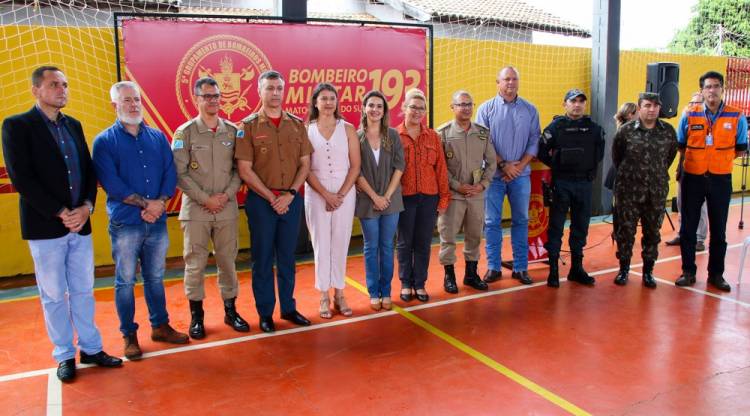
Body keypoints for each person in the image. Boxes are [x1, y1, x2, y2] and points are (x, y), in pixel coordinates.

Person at [1, 66, 121, 382]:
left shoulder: (74, 125)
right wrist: (59, 211)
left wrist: (85, 207)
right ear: (36, 90)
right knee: (54, 294)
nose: (62, 89)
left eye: (65, 84)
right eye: (54, 84)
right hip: (45, 227)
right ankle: (65, 355)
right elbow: (21, 177)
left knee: (83, 290)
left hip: (79, 224)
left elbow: (87, 170)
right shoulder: (17, 126)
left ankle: (92, 349)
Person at [93, 81, 189, 360]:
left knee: (156, 278)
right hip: (126, 223)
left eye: (136, 99)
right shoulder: (104, 142)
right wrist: (149, 205)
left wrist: (159, 203)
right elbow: (113, 185)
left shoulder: (158, 137)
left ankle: (160, 326)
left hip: (156, 221)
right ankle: (129, 335)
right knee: (125, 280)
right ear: (114, 105)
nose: (133, 105)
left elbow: (169, 174)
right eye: (126, 101)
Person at [234, 70, 312, 332]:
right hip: (261, 203)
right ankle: (265, 313)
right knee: (263, 259)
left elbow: (305, 164)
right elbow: (245, 170)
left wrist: (289, 194)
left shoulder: (296, 125)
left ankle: (288, 308)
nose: (275, 93)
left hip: (290, 200)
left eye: (279, 88)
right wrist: (272, 197)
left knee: (288, 257)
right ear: (260, 91)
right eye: (270, 88)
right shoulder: (247, 127)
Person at [172, 77, 249, 339]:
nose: (213, 100)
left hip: (226, 209)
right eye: (207, 96)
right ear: (197, 99)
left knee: (227, 262)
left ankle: (231, 311)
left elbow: (240, 171)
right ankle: (197, 317)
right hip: (196, 211)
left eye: (215, 96)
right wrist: (206, 199)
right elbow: (180, 174)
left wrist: (226, 196)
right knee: (195, 264)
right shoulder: (185, 133)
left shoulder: (232, 131)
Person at [675, 71, 748, 291]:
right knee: (688, 229)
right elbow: (680, 144)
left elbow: (741, 148)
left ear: (722, 89)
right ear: (702, 90)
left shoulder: (737, 116)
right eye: (708, 87)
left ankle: (716, 275)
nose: (712, 90)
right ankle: (688, 272)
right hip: (693, 179)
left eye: (716, 86)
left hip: (720, 180)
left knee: (719, 231)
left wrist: (718, 161)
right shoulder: (689, 114)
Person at [476, 66, 540, 285]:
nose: (511, 83)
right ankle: (493, 267)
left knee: (521, 220)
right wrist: (504, 164)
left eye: (514, 79)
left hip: (520, 176)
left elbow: (534, 141)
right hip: (493, 176)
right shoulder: (485, 109)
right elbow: (483, 141)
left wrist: (519, 167)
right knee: (492, 221)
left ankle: (521, 268)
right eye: (506, 79)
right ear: (498, 82)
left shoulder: (530, 110)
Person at [304, 83, 361, 318]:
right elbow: (305, 169)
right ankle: (323, 295)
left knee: (340, 243)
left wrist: (340, 194)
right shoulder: (306, 129)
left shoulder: (347, 129)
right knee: (321, 244)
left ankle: (340, 293)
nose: (328, 103)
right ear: (315, 102)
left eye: (332, 98)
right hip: (316, 193)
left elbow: (355, 166)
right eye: (323, 98)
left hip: (344, 193)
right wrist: (325, 194)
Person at [538, 89, 604, 288]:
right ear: (564, 104)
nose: (577, 105)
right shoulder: (556, 127)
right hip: (562, 184)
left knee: (581, 227)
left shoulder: (594, 128)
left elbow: (599, 154)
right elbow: (541, 151)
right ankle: (553, 271)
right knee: (556, 227)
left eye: (581, 102)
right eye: (573, 101)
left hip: (584, 184)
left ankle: (577, 268)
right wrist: (557, 165)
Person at [612, 92, 678, 288]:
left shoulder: (668, 131)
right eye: (647, 105)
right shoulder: (625, 131)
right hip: (628, 192)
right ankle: (623, 270)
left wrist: (654, 174)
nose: (652, 109)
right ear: (639, 108)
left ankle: (648, 272)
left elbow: (670, 157)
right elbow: (617, 157)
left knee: (652, 233)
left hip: (655, 192)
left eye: (656, 106)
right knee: (625, 232)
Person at [436, 90, 496, 294]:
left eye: (469, 104)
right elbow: (439, 167)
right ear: (452, 107)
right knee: (448, 237)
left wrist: (482, 185)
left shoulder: (482, 132)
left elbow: (492, 162)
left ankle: (471, 274)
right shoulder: (443, 134)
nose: (466, 108)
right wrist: (456, 185)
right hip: (454, 195)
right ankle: (449, 275)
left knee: (474, 236)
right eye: (461, 104)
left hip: (476, 195)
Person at [397, 88, 451, 303]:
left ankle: (419, 283)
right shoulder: (394, 135)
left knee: (422, 242)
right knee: (404, 243)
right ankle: (405, 283)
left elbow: (441, 169)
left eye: (421, 108)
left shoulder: (433, 137)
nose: (417, 112)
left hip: (429, 197)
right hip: (403, 198)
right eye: (413, 107)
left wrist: (444, 198)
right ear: (404, 108)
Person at [356, 90, 404, 311]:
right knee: (370, 247)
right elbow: (355, 171)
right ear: (364, 108)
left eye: (379, 106)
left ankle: (386, 291)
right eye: (371, 105)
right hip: (367, 201)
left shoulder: (392, 136)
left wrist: (386, 196)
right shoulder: (356, 137)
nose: (375, 110)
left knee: (386, 247)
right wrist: (374, 197)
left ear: (384, 111)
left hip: (391, 202)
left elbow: (399, 167)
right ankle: (373, 292)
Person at [665, 92, 708, 252]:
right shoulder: (686, 119)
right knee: (681, 203)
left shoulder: (708, 123)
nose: (693, 106)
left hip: (702, 170)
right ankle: (683, 234)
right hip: (684, 168)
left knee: (700, 206)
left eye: (697, 103)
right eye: (691, 102)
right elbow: (679, 145)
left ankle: (699, 238)